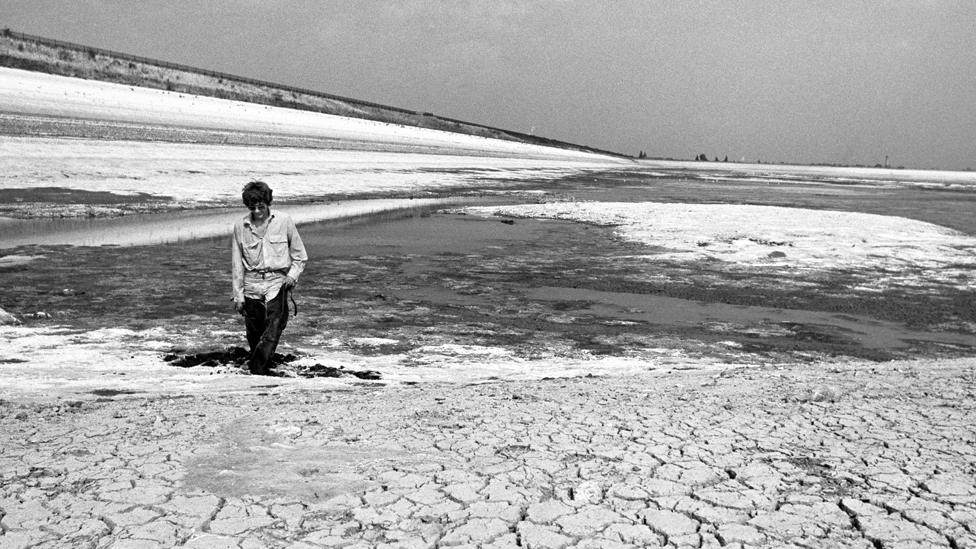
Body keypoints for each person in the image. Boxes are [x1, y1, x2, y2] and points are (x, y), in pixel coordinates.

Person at [231, 181, 308, 375]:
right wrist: (238, 295)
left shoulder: (284, 221)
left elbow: (300, 256)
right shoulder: (240, 226)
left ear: (268, 202)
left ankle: (256, 369)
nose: (257, 211)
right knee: (254, 331)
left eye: (261, 207)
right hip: (252, 283)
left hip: (277, 281)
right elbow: (236, 264)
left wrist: (292, 276)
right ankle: (262, 365)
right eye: (252, 207)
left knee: (275, 326)